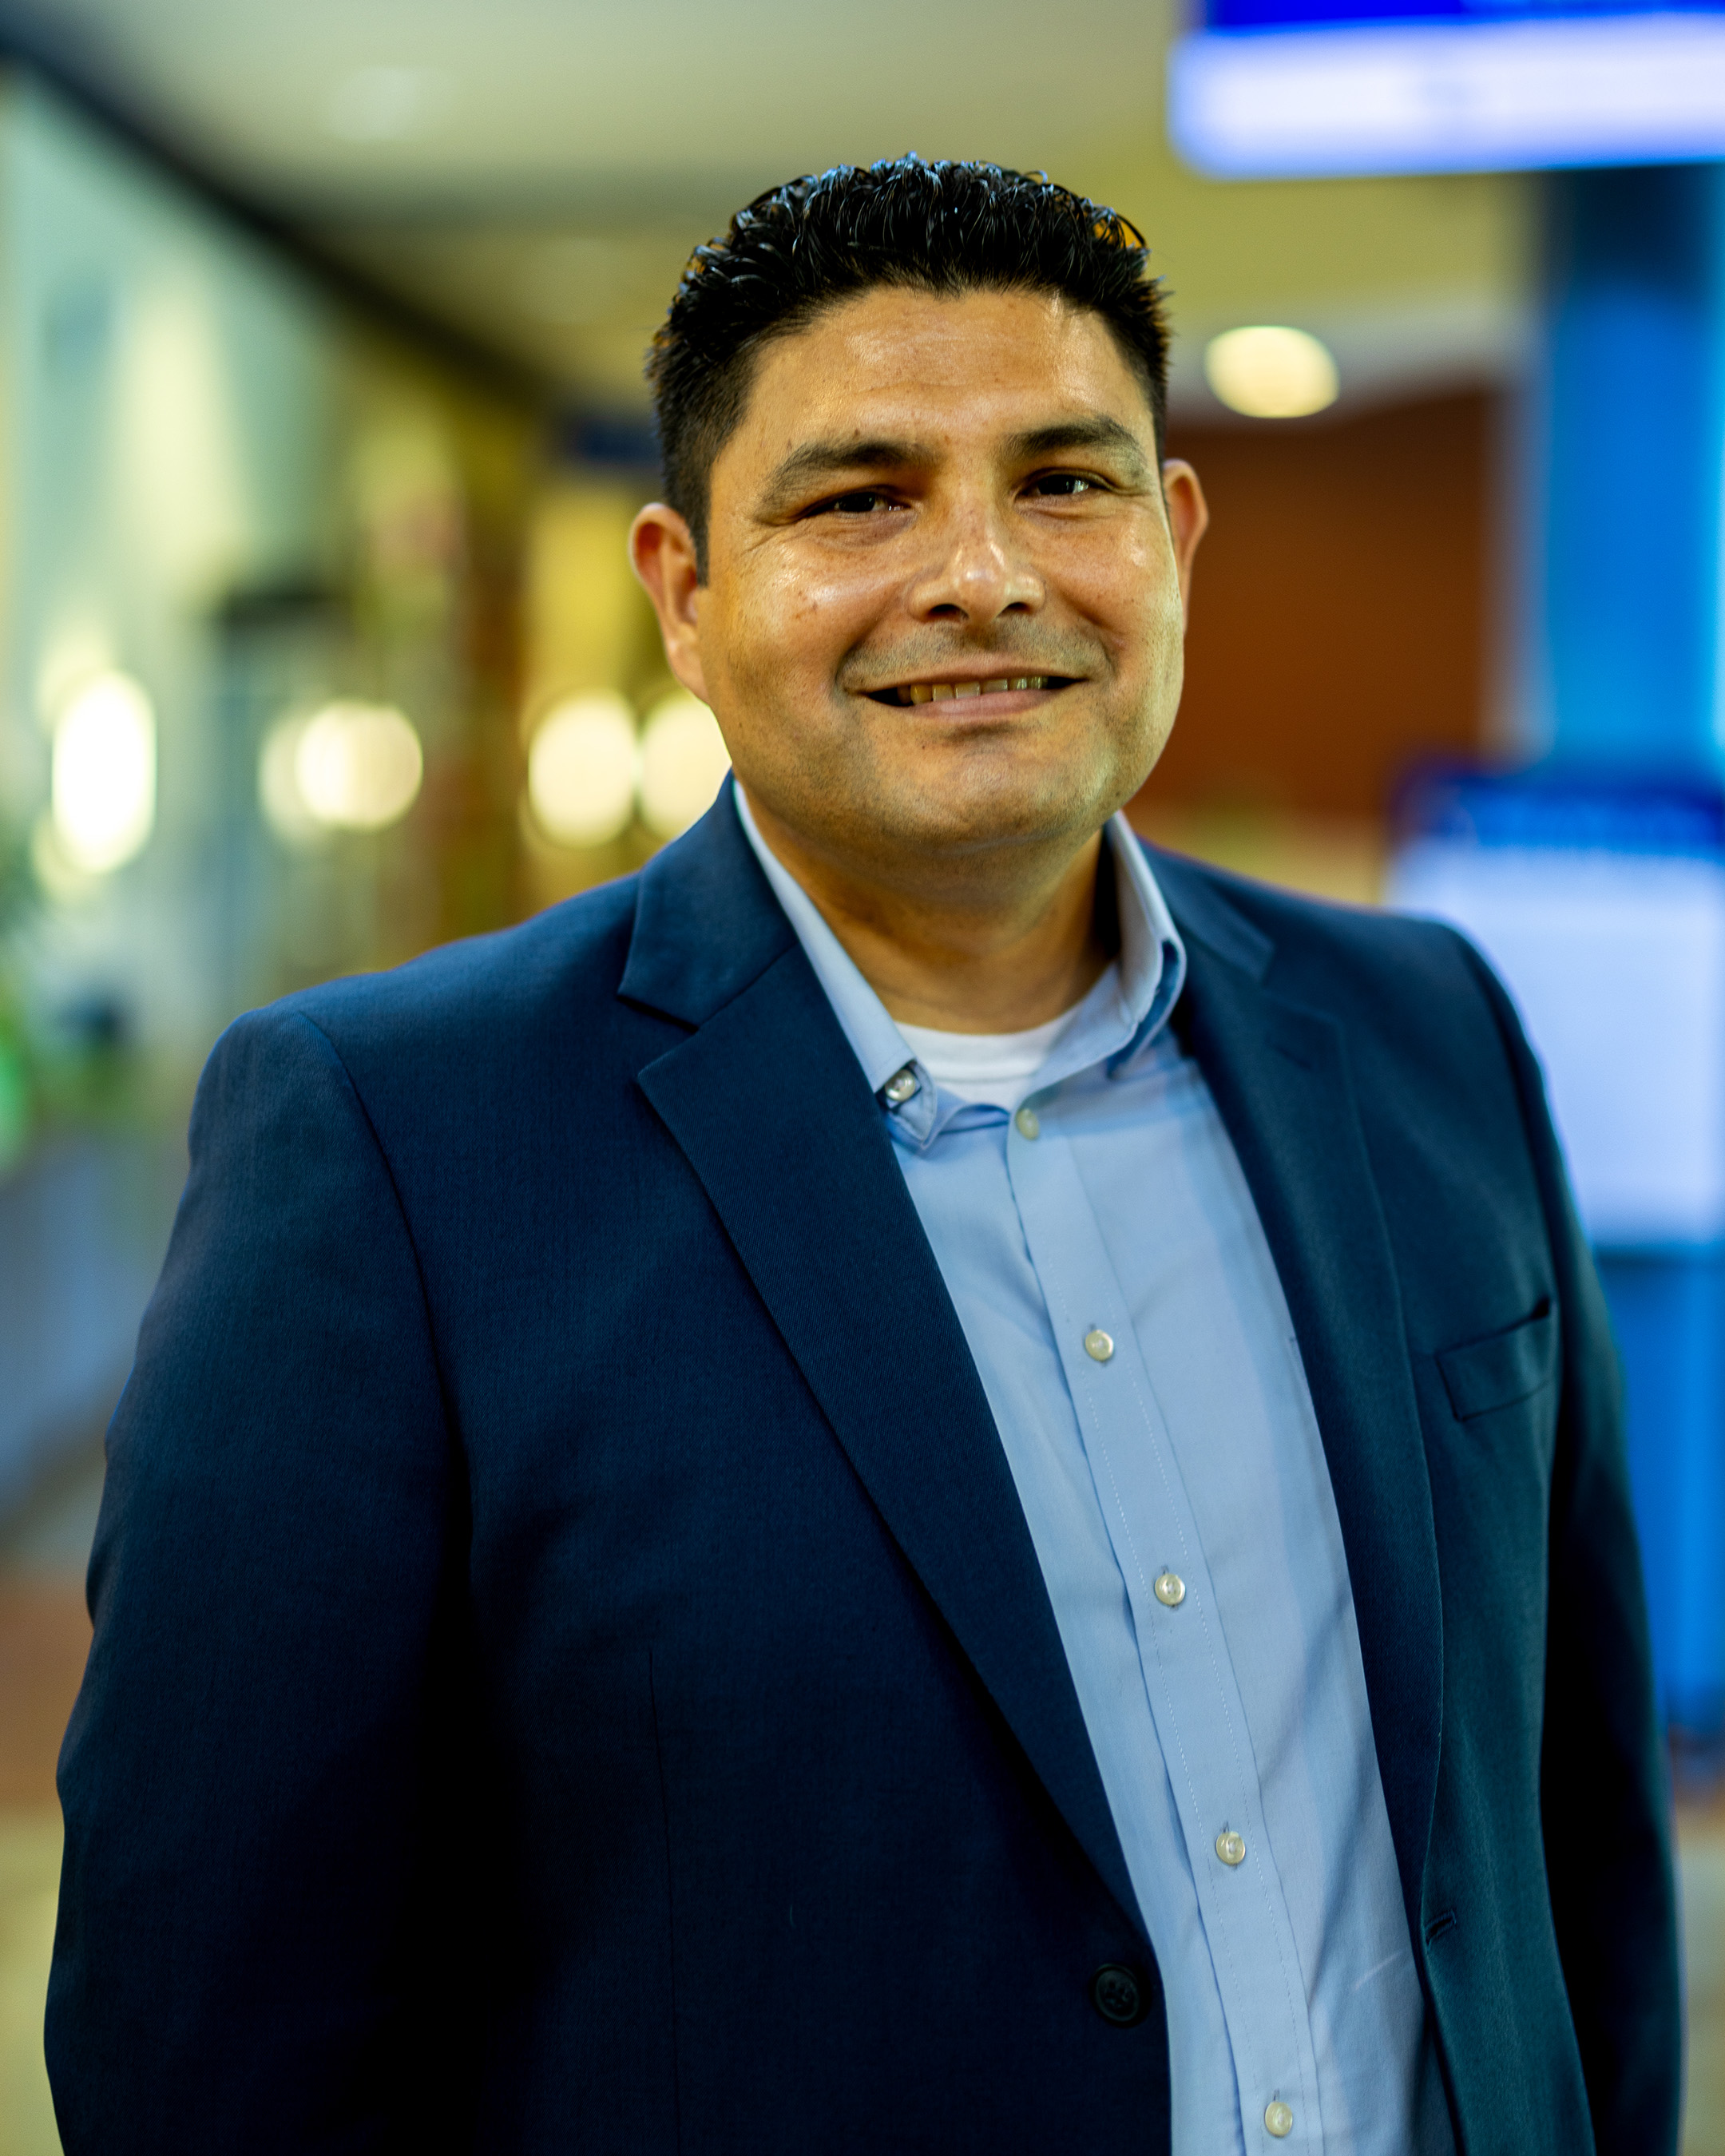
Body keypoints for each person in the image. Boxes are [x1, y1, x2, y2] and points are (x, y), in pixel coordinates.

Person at [48, 158, 1678, 2154]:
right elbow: (207, 2028)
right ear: (684, 590)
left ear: (1173, 540)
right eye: (859, 496)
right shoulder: (393, 1143)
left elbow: (1573, 1845)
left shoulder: (1434, 1042)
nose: (982, 572)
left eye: (1066, 482)